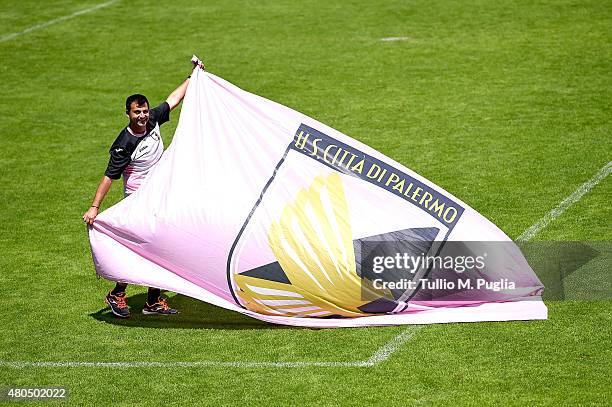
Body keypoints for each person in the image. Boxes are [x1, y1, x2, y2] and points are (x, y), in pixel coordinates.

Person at [83, 60, 204, 318]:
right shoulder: (124, 144)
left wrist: (193, 77)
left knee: (163, 246)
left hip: (161, 195)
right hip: (139, 200)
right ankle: (118, 293)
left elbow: (173, 99)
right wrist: (95, 207)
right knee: (146, 248)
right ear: (128, 113)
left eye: (145, 111)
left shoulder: (153, 121)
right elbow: (109, 177)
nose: (142, 116)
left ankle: (152, 301)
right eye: (137, 113)